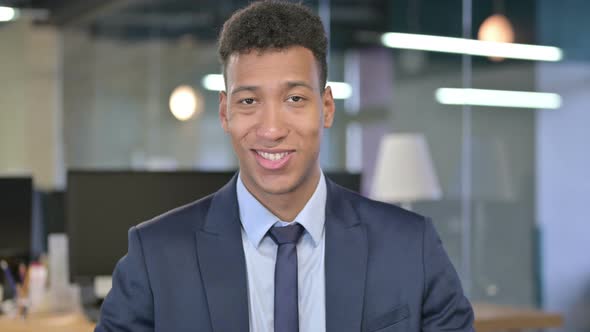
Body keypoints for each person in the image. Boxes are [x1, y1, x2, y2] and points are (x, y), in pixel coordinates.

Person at [95, 1, 474, 331]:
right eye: (248, 102)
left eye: (294, 98)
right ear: (224, 111)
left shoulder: (410, 246)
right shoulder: (156, 254)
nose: (272, 129)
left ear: (326, 108)